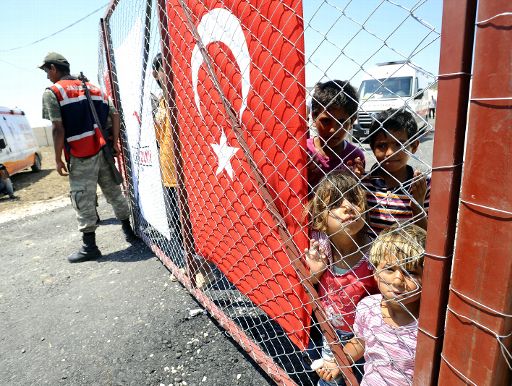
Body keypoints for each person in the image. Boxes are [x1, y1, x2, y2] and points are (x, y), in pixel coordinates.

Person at [39, 52, 136, 263]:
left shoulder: (53, 92)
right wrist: (115, 142)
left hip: (81, 152)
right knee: (113, 191)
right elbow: (115, 115)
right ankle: (129, 232)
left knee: (82, 196)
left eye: (47, 71)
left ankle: (89, 247)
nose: (47, 76)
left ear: (54, 68)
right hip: (104, 150)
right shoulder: (94, 87)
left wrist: (57, 159)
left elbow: (57, 127)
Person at [305, 172, 378, 385]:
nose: (348, 207)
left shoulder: (375, 254)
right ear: (321, 220)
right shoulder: (320, 246)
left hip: (364, 336)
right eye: (336, 203)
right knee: (330, 380)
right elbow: (304, 286)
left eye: (355, 200)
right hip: (331, 330)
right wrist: (315, 272)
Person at [342, 224, 426, 385]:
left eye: (411, 272)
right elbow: (361, 341)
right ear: (374, 271)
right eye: (389, 269)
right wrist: (340, 360)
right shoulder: (368, 307)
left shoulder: (429, 325)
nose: (398, 280)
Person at [363, 108, 430, 234]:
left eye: (399, 144)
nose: (390, 153)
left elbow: (427, 234)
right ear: (372, 148)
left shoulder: (423, 186)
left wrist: (417, 205)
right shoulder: (364, 182)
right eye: (382, 146)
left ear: (413, 146)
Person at [151, 53, 183, 262]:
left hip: (188, 172)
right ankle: (188, 262)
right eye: (165, 67)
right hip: (169, 170)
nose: (170, 71)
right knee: (177, 221)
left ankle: (199, 263)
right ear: (156, 74)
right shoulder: (161, 101)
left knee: (190, 218)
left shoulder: (183, 96)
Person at [307, 80, 365, 191]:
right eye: (326, 121)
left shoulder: (355, 157)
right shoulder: (305, 151)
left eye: (342, 122)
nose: (333, 130)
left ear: (352, 121)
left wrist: (354, 181)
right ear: (314, 117)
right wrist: (304, 176)